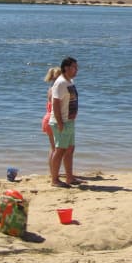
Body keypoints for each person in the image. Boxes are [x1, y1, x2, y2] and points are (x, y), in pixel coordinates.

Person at [50, 57, 81, 187]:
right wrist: (60, 122)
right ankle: (55, 180)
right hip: (61, 122)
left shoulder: (70, 81)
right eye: (74, 67)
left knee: (70, 149)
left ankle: (70, 178)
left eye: (77, 67)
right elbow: (55, 103)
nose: (77, 70)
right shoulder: (61, 82)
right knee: (60, 150)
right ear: (66, 68)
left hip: (70, 121)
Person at [41, 66, 61, 184]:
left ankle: (52, 172)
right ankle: (54, 174)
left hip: (47, 118)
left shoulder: (50, 88)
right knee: (57, 149)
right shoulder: (56, 89)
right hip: (52, 119)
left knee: (53, 148)